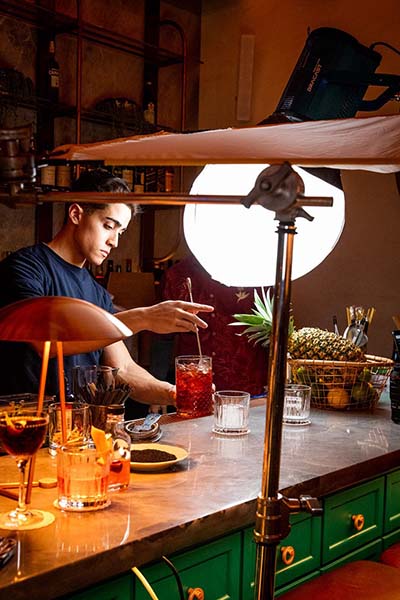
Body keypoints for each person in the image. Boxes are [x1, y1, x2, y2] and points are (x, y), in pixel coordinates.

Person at [0, 168, 213, 407]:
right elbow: (45, 343)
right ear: (76, 214)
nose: (115, 242)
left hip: (76, 433)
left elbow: (124, 368)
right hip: (23, 428)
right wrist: (143, 317)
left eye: (121, 231)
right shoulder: (26, 268)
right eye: (108, 226)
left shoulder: (97, 292)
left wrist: (175, 392)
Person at [161, 253, 269, 396]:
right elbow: (163, 337)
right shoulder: (177, 275)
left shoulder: (256, 273)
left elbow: (272, 329)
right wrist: (159, 390)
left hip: (249, 385)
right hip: (194, 386)